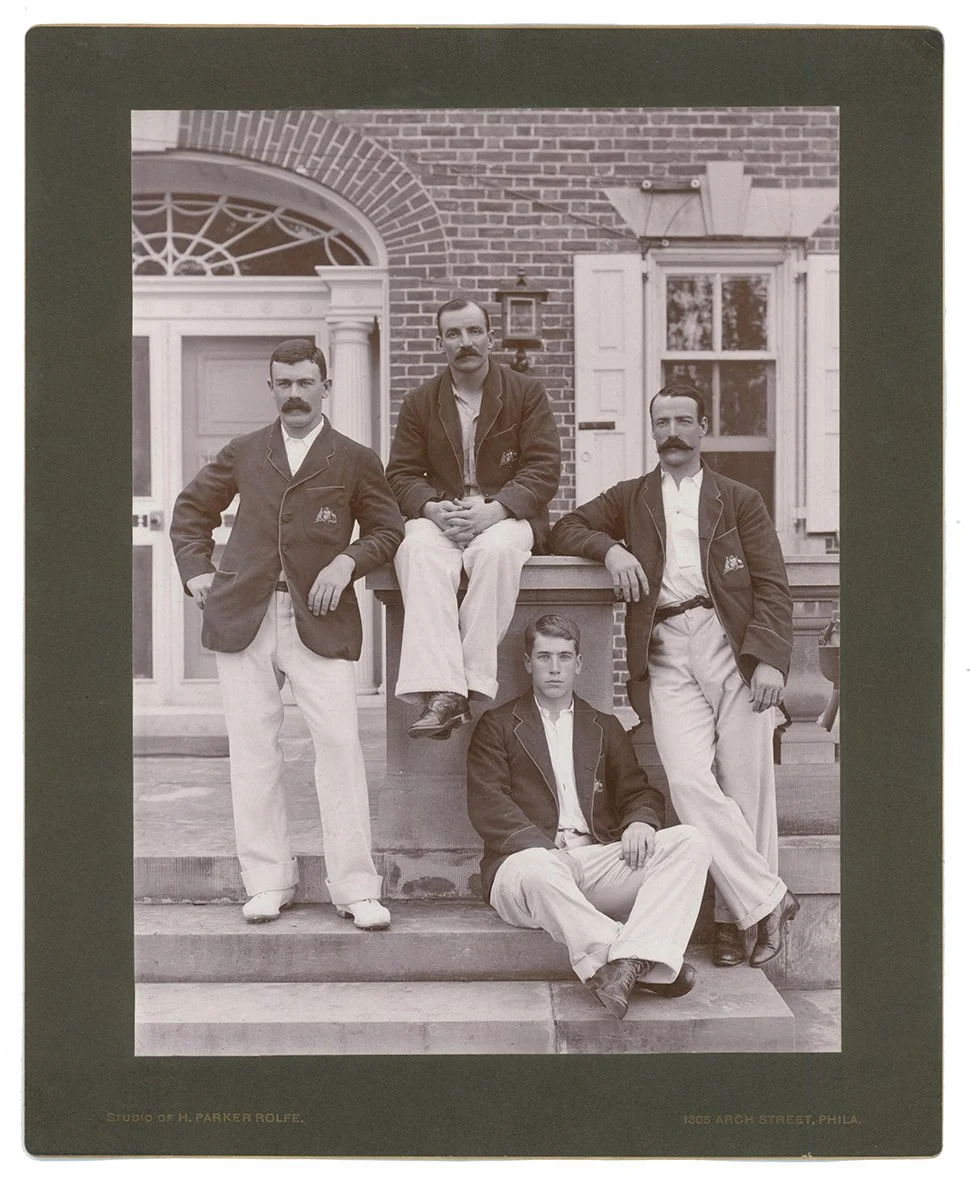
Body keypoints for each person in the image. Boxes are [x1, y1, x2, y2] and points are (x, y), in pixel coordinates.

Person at [550, 384, 798, 969]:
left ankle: (735, 922)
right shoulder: (633, 498)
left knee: (745, 788)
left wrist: (770, 658)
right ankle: (768, 901)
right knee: (687, 781)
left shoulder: (738, 498)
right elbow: (564, 528)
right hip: (664, 646)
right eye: (663, 422)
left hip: (730, 643)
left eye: (684, 421)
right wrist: (610, 550)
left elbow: (772, 584)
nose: (673, 432)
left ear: (703, 428)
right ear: (652, 430)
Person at [170, 339, 404, 929]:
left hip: (319, 621)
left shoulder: (354, 458)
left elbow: (386, 529)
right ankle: (267, 880)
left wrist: (347, 561)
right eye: (284, 383)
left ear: (326, 386)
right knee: (253, 751)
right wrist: (198, 572)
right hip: (245, 615)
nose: (295, 394)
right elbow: (190, 511)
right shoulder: (246, 451)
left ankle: (355, 888)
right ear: (270, 387)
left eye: (305, 382)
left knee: (341, 749)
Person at [466, 615, 711, 1019]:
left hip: (592, 865)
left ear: (579, 663)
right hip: (525, 874)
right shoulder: (497, 726)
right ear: (527, 663)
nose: (555, 667)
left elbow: (640, 791)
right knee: (539, 868)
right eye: (544, 657)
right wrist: (545, 850)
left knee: (691, 842)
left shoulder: (604, 727)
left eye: (564, 657)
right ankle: (636, 958)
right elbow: (489, 805)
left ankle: (623, 966)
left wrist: (640, 822)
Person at [386, 298, 561, 739]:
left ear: (490, 336)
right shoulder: (421, 401)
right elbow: (401, 474)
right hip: (444, 514)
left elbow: (544, 468)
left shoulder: (525, 392)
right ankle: (447, 691)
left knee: (498, 552)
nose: (466, 343)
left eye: (474, 332)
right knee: (416, 549)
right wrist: (430, 507)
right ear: (439, 342)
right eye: (454, 334)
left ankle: (462, 688)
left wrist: (496, 508)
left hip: (504, 513)